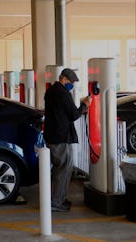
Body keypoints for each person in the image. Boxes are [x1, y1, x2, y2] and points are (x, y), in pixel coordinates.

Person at [44, 68, 91, 212]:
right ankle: (56, 202)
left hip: (52, 136)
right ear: (63, 79)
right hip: (61, 137)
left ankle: (59, 199)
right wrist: (85, 105)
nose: (72, 85)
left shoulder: (51, 91)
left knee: (60, 169)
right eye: (71, 82)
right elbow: (73, 114)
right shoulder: (63, 94)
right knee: (64, 170)